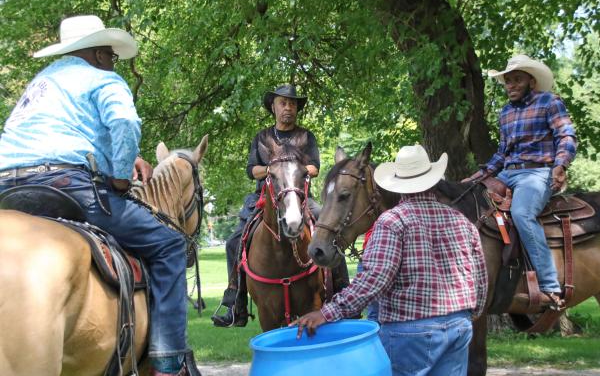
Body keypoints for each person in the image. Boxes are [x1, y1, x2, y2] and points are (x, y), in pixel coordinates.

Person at [0, 15, 198, 376]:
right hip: (66, 187)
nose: (113, 60)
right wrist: (121, 178)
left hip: (9, 188)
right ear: (98, 53)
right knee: (169, 244)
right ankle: (170, 363)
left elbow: (61, 135)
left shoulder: (41, 84)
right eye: (110, 54)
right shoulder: (102, 78)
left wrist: (122, 156)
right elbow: (124, 123)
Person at [292, 145, 488, 376]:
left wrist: (326, 313)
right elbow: (480, 278)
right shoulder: (461, 221)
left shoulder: (392, 221)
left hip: (409, 331)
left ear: (397, 182)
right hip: (458, 327)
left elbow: (375, 279)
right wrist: (467, 314)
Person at [212, 84, 351, 327]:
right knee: (234, 240)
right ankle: (236, 303)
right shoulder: (262, 137)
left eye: (292, 104)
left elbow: (314, 168)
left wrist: (293, 169)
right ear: (273, 107)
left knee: (331, 230)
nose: (288, 108)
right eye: (283, 103)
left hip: (300, 196)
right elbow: (251, 170)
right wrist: (272, 170)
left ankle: (342, 292)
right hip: (264, 198)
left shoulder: (306, 137)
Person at [462, 54, 577, 309]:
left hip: (537, 173)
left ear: (531, 81)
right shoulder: (506, 113)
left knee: (522, 213)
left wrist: (561, 165)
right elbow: (502, 155)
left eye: (516, 80)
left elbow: (566, 135)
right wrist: (476, 177)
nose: (511, 85)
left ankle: (549, 284)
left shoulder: (549, 102)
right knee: (469, 202)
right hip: (508, 172)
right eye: (507, 81)